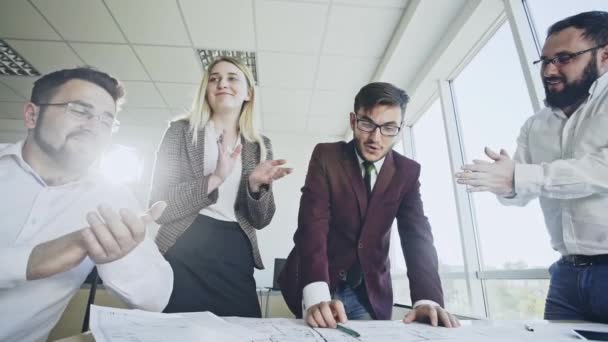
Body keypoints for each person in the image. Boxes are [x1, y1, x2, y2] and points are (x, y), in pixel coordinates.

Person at [455, 11, 608, 323]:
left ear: (604, 57)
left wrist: (519, 176)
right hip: (566, 275)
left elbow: (600, 169)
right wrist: (504, 183)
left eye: (564, 58)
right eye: (545, 61)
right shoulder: (535, 125)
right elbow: (520, 191)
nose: (549, 70)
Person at [0, 67, 173, 342]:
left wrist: (120, 254)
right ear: (32, 115)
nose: (94, 127)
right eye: (80, 111)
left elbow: (155, 298)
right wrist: (31, 261)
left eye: (107, 121)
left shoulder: (113, 198)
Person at [278, 82, 459, 328]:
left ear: (400, 129)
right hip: (319, 280)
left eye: (388, 128)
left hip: (369, 292)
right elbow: (313, 225)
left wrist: (427, 299)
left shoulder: (407, 172)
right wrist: (316, 296)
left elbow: (416, 234)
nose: (376, 138)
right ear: (353, 121)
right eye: (367, 124)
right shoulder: (326, 156)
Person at [150, 56, 291, 317]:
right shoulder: (180, 132)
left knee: (241, 331)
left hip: (235, 251)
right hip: (183, 246)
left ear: (248, 93)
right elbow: (159, 207)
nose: (222, 83)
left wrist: (254, 186)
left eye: (231, 78)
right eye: (214, 78)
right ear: (206, 90)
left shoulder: (259, 145)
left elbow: (261, 220)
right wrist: (214, 178)